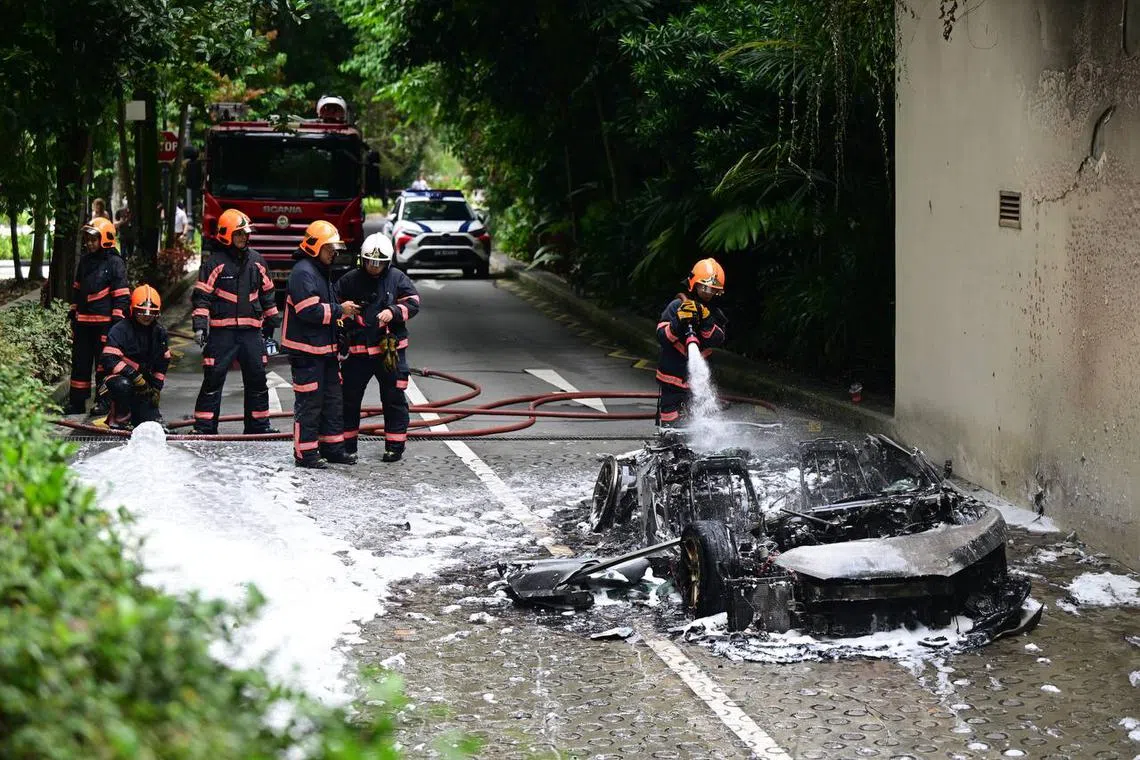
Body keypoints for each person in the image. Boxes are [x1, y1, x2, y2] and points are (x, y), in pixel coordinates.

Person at [190, 209, 280, 435]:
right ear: (226, 235)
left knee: (257, 379)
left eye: (246, 234)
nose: (244, 237)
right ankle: (205, 428)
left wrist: (272, 322)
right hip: (222, 334)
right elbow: (202, 298)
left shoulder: (257, 261)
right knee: (213, 380)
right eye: (239, 234)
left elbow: (268, 294)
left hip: (251, 333)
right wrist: (200, 327)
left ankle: (258, 427)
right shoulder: (214, 264)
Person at [336, 233, 421, 462]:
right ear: (362, 260)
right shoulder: (349, 280)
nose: (374, 266)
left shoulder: (397, 278)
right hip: (358, 354)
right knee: (349, 400)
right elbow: (335, 306)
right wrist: (346, 313)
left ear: (387, 262)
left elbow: (413, 302)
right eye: (370, 262)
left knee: (394, 399)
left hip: (389, 354)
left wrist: (393, 311)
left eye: (379, 263)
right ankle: (347, 447)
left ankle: (394, 447)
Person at [283, 220, 360, 468]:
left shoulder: (319, 270)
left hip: (325, 351)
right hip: (307, 352)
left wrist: (342, 328)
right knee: (310, 404)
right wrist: (340, 310)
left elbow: (325, 309)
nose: (333, 254)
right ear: (315, 247)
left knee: (332, 401)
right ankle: (305, 454)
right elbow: (308, 311)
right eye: (329, 249)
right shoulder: (303, 272)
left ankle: (333, 448)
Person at [64, 217, 130, 415]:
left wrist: (116, 325)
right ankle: (77, 403)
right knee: (80, 365)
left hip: (105, 325)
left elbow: (121, 296)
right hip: (83, 324)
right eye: (88, 239)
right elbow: (77, 290)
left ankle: (104, 402)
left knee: (103, 366)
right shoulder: (85, 261)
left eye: (94, 239)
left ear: (105, 239)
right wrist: (73, 314)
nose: (90, 243)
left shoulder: (115, 263)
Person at [655, 258, 728, 426]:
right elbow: (662, 336)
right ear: (694, 284)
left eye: (713, 290)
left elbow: (717, 339)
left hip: (698, 382)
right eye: (705, 288)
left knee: (700, 420)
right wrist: (678, 323)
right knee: (670, 422)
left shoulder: (714, 313)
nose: (708, 293)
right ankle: (668, 437)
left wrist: (706, 319)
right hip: (671, 378)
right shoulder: (676, 306)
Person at [97, 284, 170, 431]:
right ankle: (120, 420)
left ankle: (139, 416)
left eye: (151, 313)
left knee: (152, 424)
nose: (147, 316)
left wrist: (156, 388)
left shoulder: (159, 333)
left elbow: (163, 361)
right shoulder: (120, 330)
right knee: (123, 385)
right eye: (141, 312)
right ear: (132, 310)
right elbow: (109, 359)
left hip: (143, 385)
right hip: (115, 382)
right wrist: (135, 376)